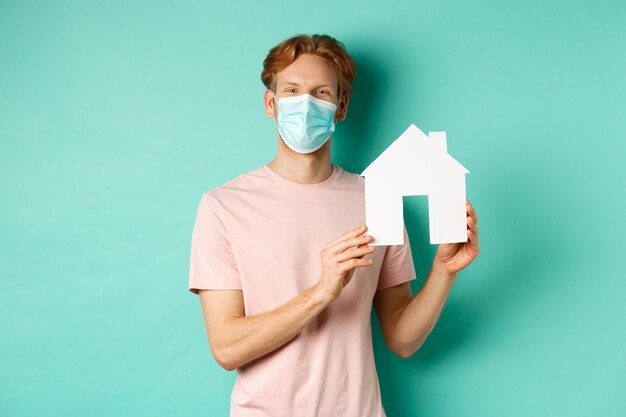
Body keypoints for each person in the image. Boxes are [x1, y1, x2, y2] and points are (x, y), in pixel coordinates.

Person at [188, 33, 480, 417]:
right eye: (292, 90)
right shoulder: (223, 206)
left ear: (341, 107)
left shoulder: (377, 196)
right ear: (270, 103)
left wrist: (443, 271)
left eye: (321, 93)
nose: (305, 104)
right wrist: (322, 291)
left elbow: (401, 339)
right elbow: (226, 348)